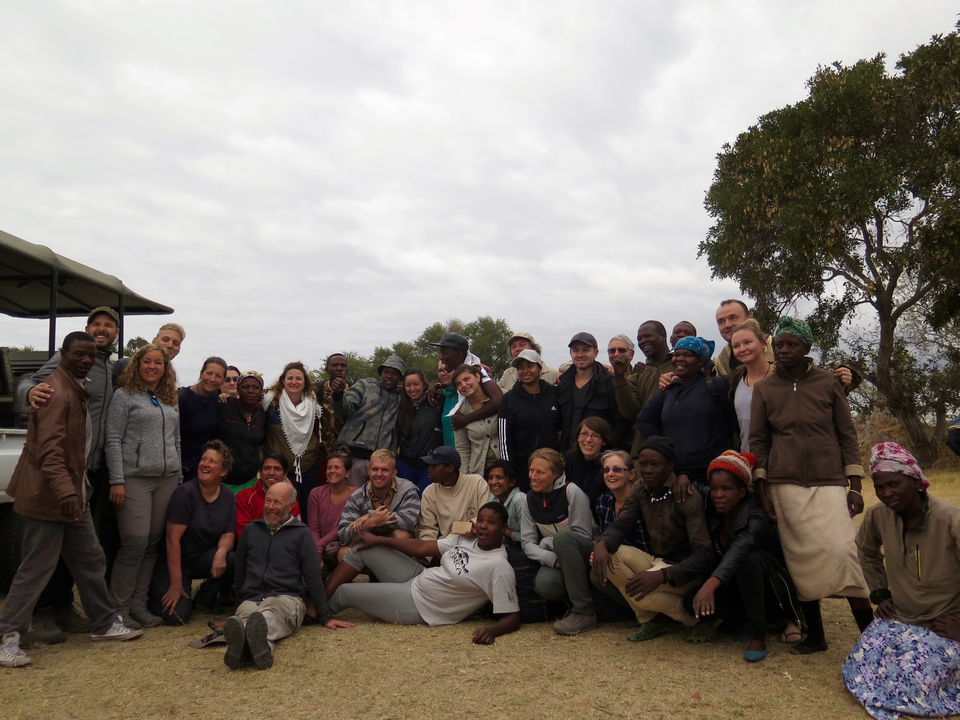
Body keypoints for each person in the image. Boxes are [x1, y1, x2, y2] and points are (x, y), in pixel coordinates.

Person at [0, 332, 142, 669]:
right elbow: (50, 451)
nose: (86, 360)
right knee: (36, 567)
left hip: (71, 494)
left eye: (90, 355)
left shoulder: (74, 387)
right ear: (63, 353)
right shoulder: (56, 391)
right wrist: (66, 492)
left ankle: (104, 624)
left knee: (90, 560)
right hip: (52, 496)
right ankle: (8, 637)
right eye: (79, 354)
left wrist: (73, 492)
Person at [750, 316, 873, 655]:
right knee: (800, 561)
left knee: (845, 553)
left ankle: (873, 638)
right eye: (779, 345)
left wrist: (855, 485)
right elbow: (759, 441)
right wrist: (761, 488)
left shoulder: (828, 383)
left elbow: (847, 435)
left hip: (829, 480)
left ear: (807, 348)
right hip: (784, 485)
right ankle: (816, 636)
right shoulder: (765, 389)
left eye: (791, 345)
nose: (784, 350)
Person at [17, 307, 121, 637]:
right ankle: (42, 614)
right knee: (44, 553)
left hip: (90, 472)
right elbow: (31, 382)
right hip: (62, 472)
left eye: (109, 326)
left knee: (80, 552)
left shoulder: (111, 366)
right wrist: (30, 393)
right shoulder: (71, 362)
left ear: (116, 333)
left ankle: (65, 609)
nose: (103, 330)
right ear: (87, 328)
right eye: (97, 325)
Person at [844, 442, 960, 720]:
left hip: (945, 626)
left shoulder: (951, 519)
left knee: (916, 680)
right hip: (902, 619)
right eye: (880, 487)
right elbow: (866, 552)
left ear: (916, 481)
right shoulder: (878, 516)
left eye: (894, 484)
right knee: (860, 664)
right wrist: (881, 594)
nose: (887, 493)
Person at [324, 502, 521, 644]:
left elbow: (513, 616)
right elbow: (421, 547)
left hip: (421, 606)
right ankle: (318, 600)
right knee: (364, 549)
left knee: (345, 592)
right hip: (417, 576)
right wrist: (379, 540)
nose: (483, 526)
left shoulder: (498, 567)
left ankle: (319, 612)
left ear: (504, 528)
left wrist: (492, 631)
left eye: (491, 522)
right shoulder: (468, 539)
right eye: (481, 520)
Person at [592, 437, 715, 643]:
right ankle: (652, 620)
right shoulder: (641, 488)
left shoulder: (687, 495)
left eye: (655, 464)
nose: (647, 470)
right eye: (643, 464)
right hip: (658, 561)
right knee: (612, 555)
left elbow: (704, 555)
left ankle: (699, 621)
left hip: (686, 572)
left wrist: (661, 576)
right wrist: (602, 544)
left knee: (640, 592)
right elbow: (621, 524)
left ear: (670, 466)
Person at [224, 482, 354, 670]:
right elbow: (240, 574)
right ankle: (259, 649)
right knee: (247, 616)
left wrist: (326, 616)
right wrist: (236, 607)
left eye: (277, 502)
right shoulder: (251, 531)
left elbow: (313, 577)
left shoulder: (302, 534)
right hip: (252, 599)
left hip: (286, 600)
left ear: (291, 506)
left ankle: (243, 646)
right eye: (268, 501)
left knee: (267, 617)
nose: (270, 507)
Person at [689, 450, 803, 662]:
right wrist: (682, 478)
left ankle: (759, 636)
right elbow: (697, 486)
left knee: (748, 561)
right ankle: (740, 619)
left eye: (726, 489)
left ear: (742, 491)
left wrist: (710, 585)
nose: (717, 495)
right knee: (690, 602)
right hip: (737, 587)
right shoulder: (715, 505)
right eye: (714, 488)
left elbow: (738, 551)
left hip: (772, 590)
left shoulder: (756, 518)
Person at [105, 343, 182, 630]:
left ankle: (137, 606)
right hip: (134, 478)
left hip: (166, 479)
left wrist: (179, 476)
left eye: (158, 363)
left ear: (165, 367)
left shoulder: (169, 398)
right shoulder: (124, 396)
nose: (152, 367)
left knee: (151, 544)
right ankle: (117, 611)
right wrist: (117, 480)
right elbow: (113, 439)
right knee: (134, 544)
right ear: (138, 365)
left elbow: (176, 440)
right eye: (147, 362)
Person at [550, 450, 650, 637]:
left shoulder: (643, 502)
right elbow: (603, 537)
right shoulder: (603, 501)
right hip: (611, 558)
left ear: (631, 474)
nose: (610, 474)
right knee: (564, 538)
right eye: (606, 470)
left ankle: (641, 610)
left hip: (639, 567)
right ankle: (582, 610)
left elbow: (647, 549)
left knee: (600, 573)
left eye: (617, 469)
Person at [636, 336, 737, 498]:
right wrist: (664, 446)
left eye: (687, 355)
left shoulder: (715, 386)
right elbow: (643, 420)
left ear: (700, 361)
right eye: (676, 355)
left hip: (713, 474)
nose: (679, 359)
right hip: (675, 475)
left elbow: (736, 424)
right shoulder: (667, 391)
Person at [149, 440, 237, 625]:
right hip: (174, 563)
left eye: (212, 461)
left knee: (231, 558)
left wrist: (220, 553)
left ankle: (205, 596)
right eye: (203, 459)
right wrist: (175, 584)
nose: (204, 464)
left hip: (201, 560)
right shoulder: (185, 494)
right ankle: (154, 592)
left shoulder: (228, 496)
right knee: (177, 617)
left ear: (223, 471)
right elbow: (172, 540)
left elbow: (228, 534)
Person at [519, 448, 593, 608]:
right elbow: (527, 543)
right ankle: (569, 603)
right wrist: (552, 560)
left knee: (561, 538)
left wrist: (548, 542)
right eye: (531, 470)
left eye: (540, 472)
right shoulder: (528, 499)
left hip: (583, 554)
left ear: (556, 474)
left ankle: (584, 608)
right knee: (545, 585)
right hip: (556, 558)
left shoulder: (571, 492)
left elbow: (584, 537)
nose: (533, 477)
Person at [333, 355, 403, 487]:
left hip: (382, 462)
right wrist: (338, 394)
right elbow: (343, 408)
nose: (389, 376)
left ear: (399, 378)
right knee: (353, 499)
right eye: (386, 372)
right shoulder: (365, 386)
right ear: (381, 373)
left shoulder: (402, 396)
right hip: (355, 457)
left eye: (394, 373)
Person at [262, 362, 321, 516]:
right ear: (283, 380)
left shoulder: (313, 402)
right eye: (290, 378)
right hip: (282, 470)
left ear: (305, 382)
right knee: (285, 510)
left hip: (309, 466)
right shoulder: (270, 402)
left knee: (309, 510)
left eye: (298, 378)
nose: (294, 382)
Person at [497, 349, 561, 490]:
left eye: (530, 366)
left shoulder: (553, 393)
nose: (525, 371)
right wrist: (509, 469)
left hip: (551, 466)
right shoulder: (509, 399)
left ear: (539, 368)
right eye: (520, 367)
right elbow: (504, 438)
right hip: (522, 468)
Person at [556, 332, 626, 450]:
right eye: (576, 350)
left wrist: (606, 449)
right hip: (569, 455)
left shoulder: (609, 384)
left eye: (586, 350)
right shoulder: (563, 385)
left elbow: (621, 423)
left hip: (599, 457)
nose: (580, 354)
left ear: (596, 353)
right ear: (570, 353)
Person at [614, 321, 675, 456]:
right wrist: (619, 378)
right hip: (643, 452)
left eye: (647, 336)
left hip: (675, 449)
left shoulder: (679, 366)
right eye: (639, 339)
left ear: (663, 336)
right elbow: (630, 413)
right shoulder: (638, 375)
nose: (642, 341)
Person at [337, 449, 420, 546]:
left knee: (401, 535)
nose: (379, 474)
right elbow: (343, 535)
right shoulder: (357, 496)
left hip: (396, 547)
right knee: (343, 552)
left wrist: (370, 516)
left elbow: (409, 521)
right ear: (368, 471)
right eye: (375, 469)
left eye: (384, 470)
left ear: (394, 473)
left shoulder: (407, 490)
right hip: (367, 545)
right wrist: (369, 524)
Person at [431, 331, 503, 432]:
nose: (441, 358)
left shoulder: (477, 371)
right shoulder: (462, 371)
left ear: (459, 354)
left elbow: (498, 400)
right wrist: (438, 386)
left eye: (444, 353)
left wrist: (466, 419)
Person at [418, 446, 491, 543]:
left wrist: (465, 528)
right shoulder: (429, 492)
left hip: (477, 543)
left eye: (434, 465)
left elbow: (487, 517)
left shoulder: (477, 483)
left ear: (450, 468)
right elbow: (427, 529)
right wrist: (427, 554)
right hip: (445, 549)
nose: (429, 469)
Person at [726, 321, 774, 453]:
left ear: (763, 344)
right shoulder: (735, 380)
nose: (742, 349)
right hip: (746, 458)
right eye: (736, 346)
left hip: (777, 459)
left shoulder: (780, 378)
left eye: (747, 342)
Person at [215, 370, 267, 491]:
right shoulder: (224, 406)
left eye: (255, 387)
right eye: (245, 387)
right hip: (221, 480)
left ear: (261, 391)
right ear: (238, 389)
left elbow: (260, 444)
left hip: (249, 481)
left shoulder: (262, 415)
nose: (250, 391)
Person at [178, 357, 227, 480]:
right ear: (201, 373)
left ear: (223, 380)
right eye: (209, 373)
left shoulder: (216, 398)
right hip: (181, 466)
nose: (212, 379)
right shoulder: (182, 399)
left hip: (203, 465)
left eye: (218, 376)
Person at [307, 448, 355, 569]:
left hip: (343, 544)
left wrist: (319, 546)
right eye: (329, 468)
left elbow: (343, 529)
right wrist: (316, 549)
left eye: (337, 467)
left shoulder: (356, 494)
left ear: (347, 472)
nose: (332, 471)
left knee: (331, 549)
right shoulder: (316, 493)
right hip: (319, 544)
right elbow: (313, 528)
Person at [397, 368, 443, 494]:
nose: (412, 389)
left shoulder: (436, 401)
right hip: (405, 465)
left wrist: (438, 385)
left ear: (424, 384)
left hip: (429, 466)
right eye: (408, 385)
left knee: (425, 504)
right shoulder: (400, 406)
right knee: (405, 503)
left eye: (416, 384)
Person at [235, 453, 300, 539]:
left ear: (285, 474)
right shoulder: (244, 497)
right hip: (254, 549)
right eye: (267, 468)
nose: (271, 473)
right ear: (260, 472)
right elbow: (243, 533)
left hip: (284, 549)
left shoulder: (291, 500)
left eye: (277, 469)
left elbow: (295, 534)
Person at [564, 417, 616, 522]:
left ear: (604, 441)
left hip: (599, 522)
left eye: (595, 435)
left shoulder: (611, 465)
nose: (588, 440)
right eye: (584, 434)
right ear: (578, 437)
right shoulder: (570, 457)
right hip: (571, 518)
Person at [452, 364, 501, 476]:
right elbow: (462, 449)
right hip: (478, 472)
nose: (464, 385)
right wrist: (465, 478)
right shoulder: (460, 413)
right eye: (458, 384)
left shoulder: (502, 396)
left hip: (506, 468)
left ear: (478, 377)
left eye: (466, 379)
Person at [712, 300, 775, 381]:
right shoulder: (719, 364)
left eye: (733, 318)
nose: (727, 325)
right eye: (721, 321)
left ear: (749, 320)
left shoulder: (778, 347)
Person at [112, 322, 186, 381]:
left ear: (178, 350)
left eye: (175, 343)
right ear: (154, 341)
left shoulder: (171, 377)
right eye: (165, 340)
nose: (170, 345)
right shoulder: (123, 365)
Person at [316, 353, 350, 477]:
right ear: (327, 370)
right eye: (335, 365)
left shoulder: (355, 391)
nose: (339, 368)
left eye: (343, 366)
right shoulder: (316, 390)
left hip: (346, 455)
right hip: (322, 454)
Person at [486, 461, 524, 545]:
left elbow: (529, 537)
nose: (493, 482)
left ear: (512, 482)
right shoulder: (493, 500)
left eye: (499, 477)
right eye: (490, 478)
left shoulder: (519, 499)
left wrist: (504, 531)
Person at [437, 361, 458, 447]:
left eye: (446, 370)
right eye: (440, 371)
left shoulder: (466, 394)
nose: (443, 373)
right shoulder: (443, 396)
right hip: (449, 455)